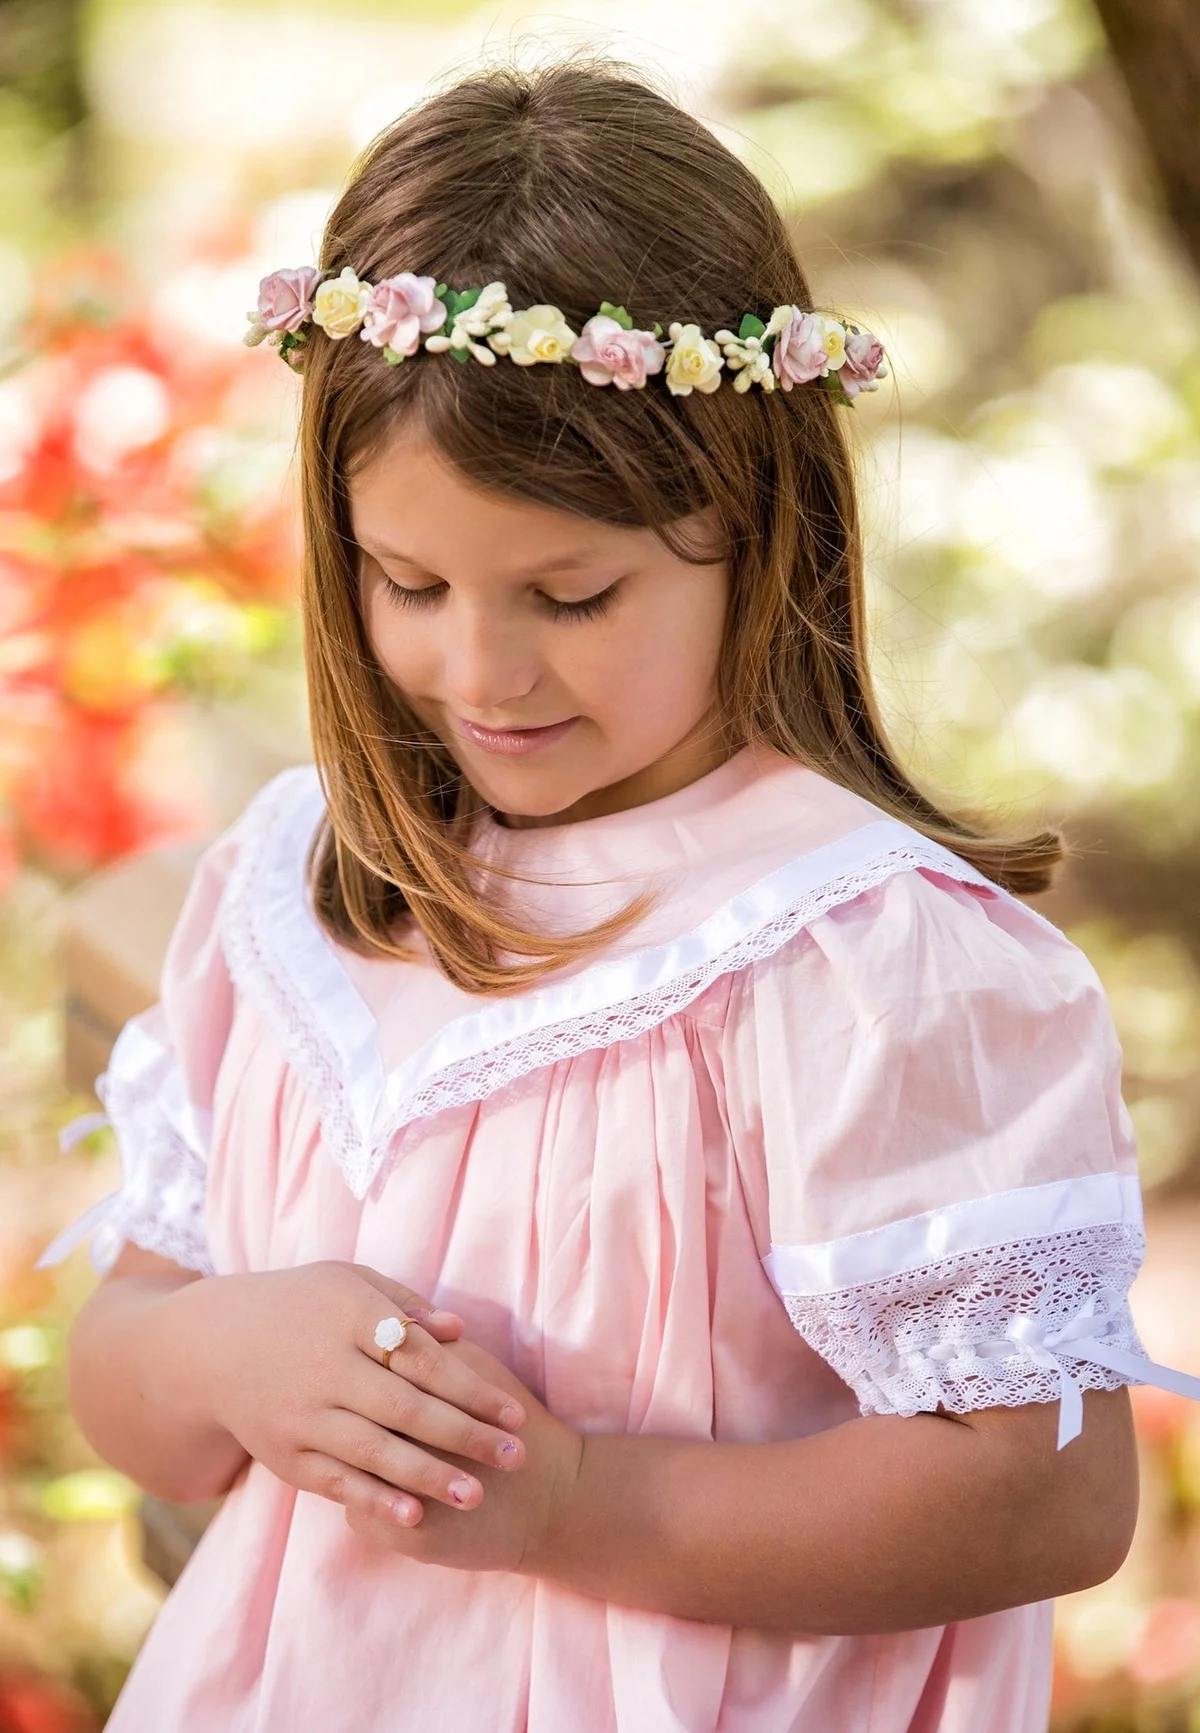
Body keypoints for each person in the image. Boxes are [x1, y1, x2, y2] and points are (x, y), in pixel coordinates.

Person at [34, 57, 1200, 1733]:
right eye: (409, 582)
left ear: (759, 530)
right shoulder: (297, 894)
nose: (479, 669)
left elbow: (1046, 1500)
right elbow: (134, 1382)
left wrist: (578, 1502)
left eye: (570, 594)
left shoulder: (866, 960)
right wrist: (218, 1354)